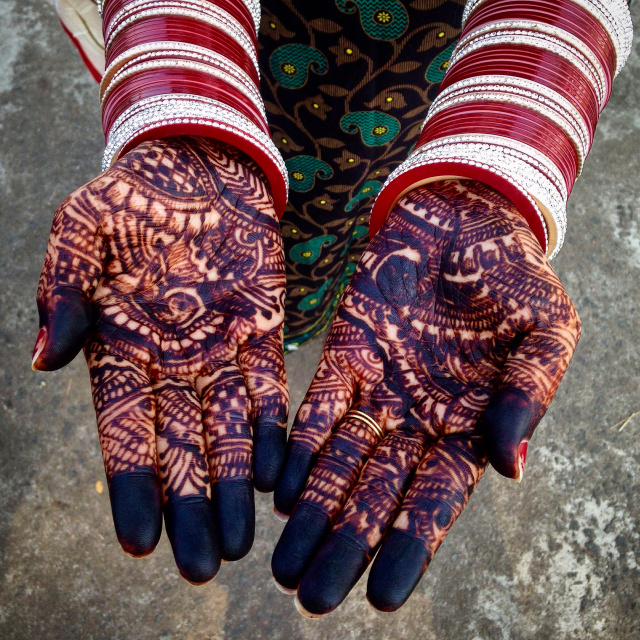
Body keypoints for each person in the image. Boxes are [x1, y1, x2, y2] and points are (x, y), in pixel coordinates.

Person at [34, 0, 632, 618]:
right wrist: (185, 93)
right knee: (271, 281)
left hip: (415, 72)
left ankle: (311, 310)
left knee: (356, 236)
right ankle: (292, 318)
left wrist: (497, 159)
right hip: (216, 39)